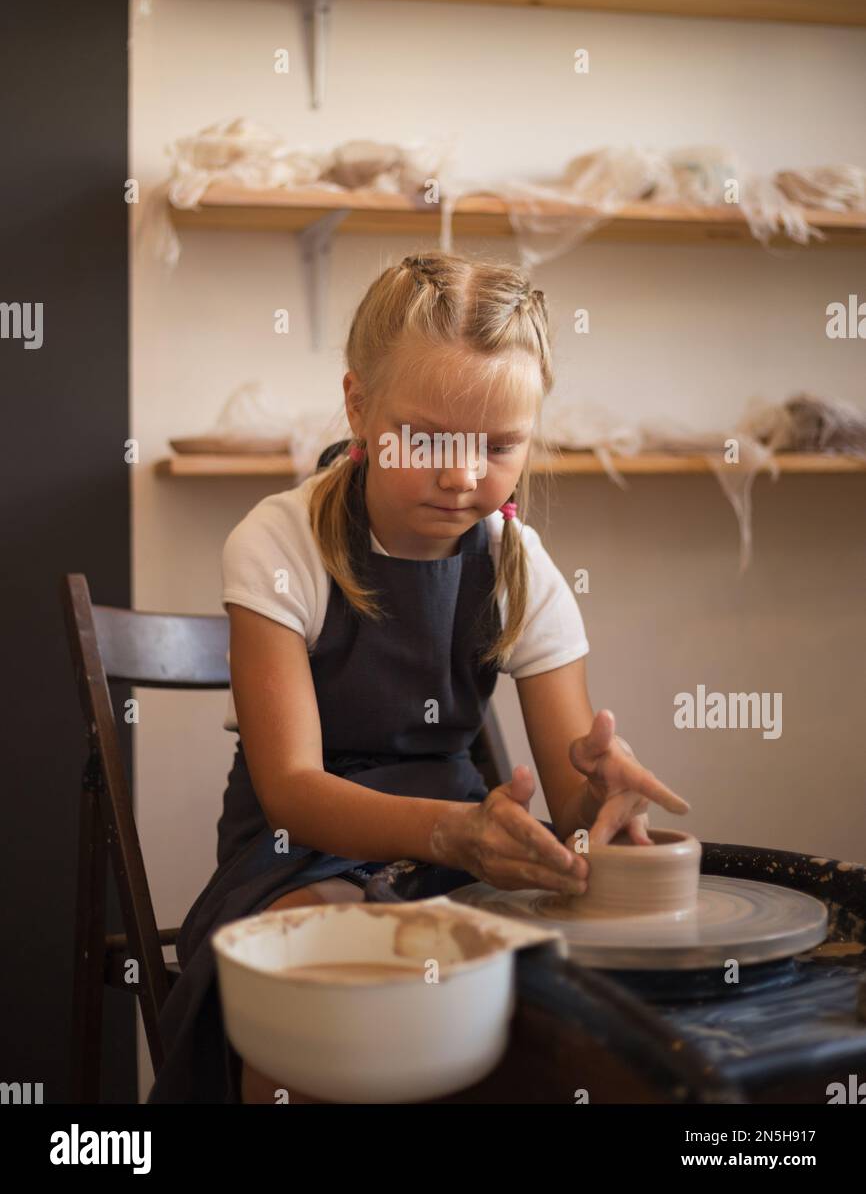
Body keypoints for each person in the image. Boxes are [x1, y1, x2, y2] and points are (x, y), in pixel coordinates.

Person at [146, 251, 689, 1104]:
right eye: (428, 436)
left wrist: (603, 801)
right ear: (359, 403)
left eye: (500, 445)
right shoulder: (280, 541)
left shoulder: (518, 563)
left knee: (581, 1021)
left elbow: (570, 800)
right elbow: (289, 785)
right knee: (334, 1001)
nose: (462, 475)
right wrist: (450, 831)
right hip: (297, 857)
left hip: (468, 855)